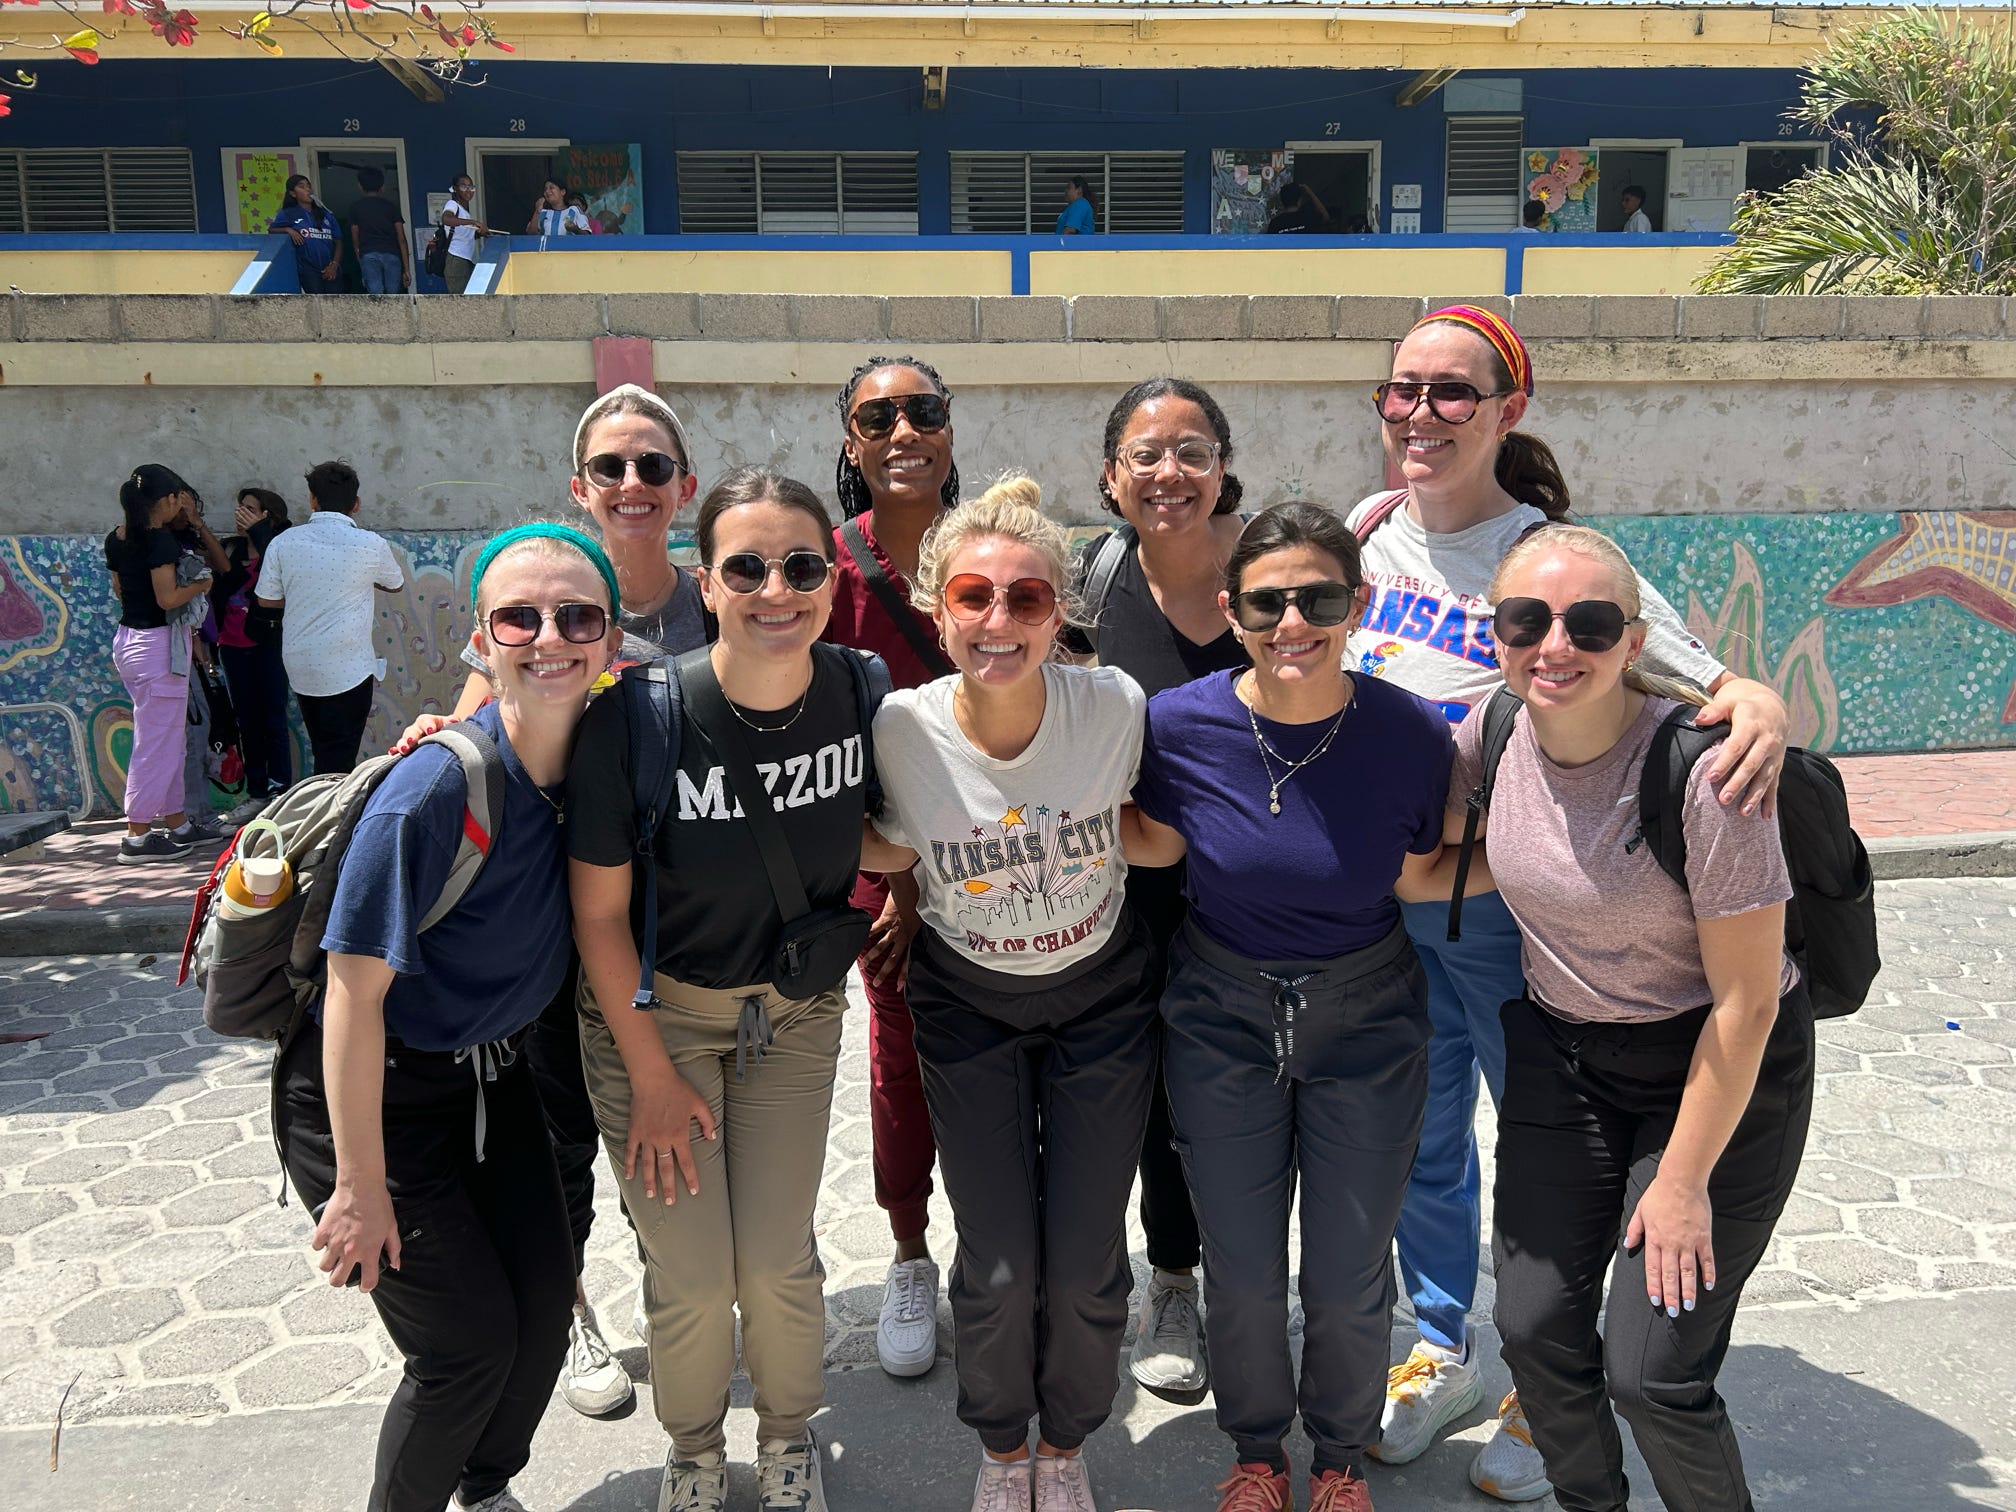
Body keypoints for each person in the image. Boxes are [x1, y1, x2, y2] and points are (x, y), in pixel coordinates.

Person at [1347, 305, 1789, 1500]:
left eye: (1453, 392)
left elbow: (1703, 672)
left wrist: (1760, 703)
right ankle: (1443, 1343)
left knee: (1543, 1160)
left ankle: (1552, 1392)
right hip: (1405, 900)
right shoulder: (1371, 530)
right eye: (1403, 390)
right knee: (1423, 1137)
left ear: (1507, 409)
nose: (1422, 414)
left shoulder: (1554, 552)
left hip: (1529, 910)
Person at [1433, 524, 1813, 1512]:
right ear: (1496, 632)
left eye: (1590, 621)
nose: (1555, 645)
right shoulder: (1492, 735)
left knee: (1654, 1376)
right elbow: (1417, 844)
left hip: (1715, 1073)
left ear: (1634, 643)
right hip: (1566, 1064)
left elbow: (1749, 998)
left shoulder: (1706, 772)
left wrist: (1682, 1183)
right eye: (1528, 619)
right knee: (1535, 1332)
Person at [277, 522, 620, 1512]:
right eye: (519, 616)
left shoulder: (602, 764)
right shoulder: (435, 790)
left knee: (544, 1313)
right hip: (375, 1095)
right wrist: (359, 1187)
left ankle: (484, 1486)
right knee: (465, 1348)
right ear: (482, 636)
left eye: (577, 616)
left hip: (496, 1079)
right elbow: (352, 996)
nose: (548, 636)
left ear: (610, 640)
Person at [1123, 502, 1454, 1512]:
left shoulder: (1406, 731)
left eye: (1318, 598)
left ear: (1359, 604)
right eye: (1268, 603)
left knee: (1351, 1271)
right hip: (1220, 1011)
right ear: (1233, 611)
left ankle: (1343, 1457)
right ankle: (1259, 1452)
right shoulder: (1179, 725)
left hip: (1368, 1016)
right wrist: (1033, 815)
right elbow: (1156, 846)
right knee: (1246, 1264)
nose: (1292, 623)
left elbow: (1424, 874)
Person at [397, 381, 708, 1421]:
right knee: (565, 1138)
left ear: (683, 486)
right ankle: (573, 1310)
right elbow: (477, 724)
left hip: (685, 930)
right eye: (612, 467)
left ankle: (690, 1307)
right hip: (553, 935)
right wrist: (433, 736)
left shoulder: (721, 600)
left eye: (652, 465)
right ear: (580, 487)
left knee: (679, 1136)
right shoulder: (537, 603)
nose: (633, 483)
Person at [569, 468, 879, 1512]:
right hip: (658, 1026)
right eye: (746, 567)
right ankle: (696, 1450)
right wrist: (650, 1072)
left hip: (791, 1020)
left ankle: (790, 1439)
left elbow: (906, 819)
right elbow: (599, 917)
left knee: (778, 1261)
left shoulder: (860, 690)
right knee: (696, 1274)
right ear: (708, 583)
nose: (775, 589)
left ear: (831, 580)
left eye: (801, 565)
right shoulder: (637, 718)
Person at [862, 477, 1154, 1512]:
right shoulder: (898, 726)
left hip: (1100, 1001)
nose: (999, 620)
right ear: (937, 611)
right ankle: (1001, 1448)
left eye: (1027, 600)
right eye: (975, 597)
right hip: (969, 1004)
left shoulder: (1112, 707)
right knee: (994, 1267)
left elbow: (1157, 819)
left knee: (1081, 1263)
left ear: (1059, 613)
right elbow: (875, 835)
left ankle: (1067, 1443)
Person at [1064, 376, 1251, 1402]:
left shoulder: (1271, 576)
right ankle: (1170, 1280)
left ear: (1224, 465)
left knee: (1250, 1098)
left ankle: (1253, 1283)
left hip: (1258, 893)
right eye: (1145, 454)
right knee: (1149, 1101)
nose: (1168, 472)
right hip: (1125, 892)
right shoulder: (1088, 588)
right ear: (1111, 474)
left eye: (1191, 450)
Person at [822, 354, 963, 1379]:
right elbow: (823, 747)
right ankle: (910, 1252)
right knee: (900, 1062)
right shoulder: (822, 572)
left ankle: (1015, 1251)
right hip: (886, 874)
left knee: (1019, 1061)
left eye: (923, 411)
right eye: (880, 416)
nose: (903, 429)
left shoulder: (989, 555)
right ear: (852, 441)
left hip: (1011, 862)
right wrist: (900, 879)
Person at [255, 460, 405, 776]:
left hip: (301, 664)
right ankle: (333, 818)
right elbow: (396, 583)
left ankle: (326, 810)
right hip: (349, 665)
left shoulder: (284, 543)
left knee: (323, 745)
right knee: (339, 755)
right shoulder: (371, 545)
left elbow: (266, 599)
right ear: (356, 504)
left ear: (312, 500)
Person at [105, 464, 222, 863]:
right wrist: (202, 584)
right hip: (157, 647)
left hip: (131, 641)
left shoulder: (117, 539)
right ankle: (137, 834)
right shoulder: (159, 543)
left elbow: (121, 588)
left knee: (167, 740)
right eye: (177, 499)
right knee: (155, 743)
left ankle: (177, 823)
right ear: (167, 501)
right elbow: (168, 599)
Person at [214, 488, 294, 822]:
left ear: (267, 516)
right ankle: (257, 792)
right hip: (233, 648)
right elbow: (220, 586)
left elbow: (286, 584)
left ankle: (280, 792)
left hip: (270, 646)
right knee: (247, 722)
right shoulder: (231, 549)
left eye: (250, 509)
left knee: (274, 719)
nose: (240, 513)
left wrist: (262, 537)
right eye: (240, 507)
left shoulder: (279, 548)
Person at [270, 174, 342, 294]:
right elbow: (272, 230)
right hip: (307, 268)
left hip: (330, 267)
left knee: (334, 303)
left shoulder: (326, 214)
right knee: (316, 300)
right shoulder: (288, 213)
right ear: (293, 193)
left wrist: (334, 265)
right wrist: (288, 230)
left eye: (309, 186)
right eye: (302, 187)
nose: (307, 189)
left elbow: (338, 242)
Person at [350, 166, 411, 295]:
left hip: (368, 255)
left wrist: (362, 266)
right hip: (392, 254)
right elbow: (402, 240)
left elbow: (356, 242)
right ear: (383, 187)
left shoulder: (356, 208)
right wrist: (406, 269)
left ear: (360, 186)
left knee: (375, 295)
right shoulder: (391, 207)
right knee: (393, 296)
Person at [441, 176, 488, 295]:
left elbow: (463, 236)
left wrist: (480, 234)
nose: (468, 190)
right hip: (456, 258)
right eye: (463, 186)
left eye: (471, 187)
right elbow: (446, 219)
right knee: (460, 300)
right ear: (455, 189)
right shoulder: (452, 204)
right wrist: (473, 222)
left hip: (466, 259)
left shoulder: (464, 210)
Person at [1266, 181, 1331, 235]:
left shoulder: (1275, 223)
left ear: (1282, 201)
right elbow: (1326, 217)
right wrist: (1309, 192)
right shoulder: (1309, 217)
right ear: (1299, 200)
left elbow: (1269, 244)